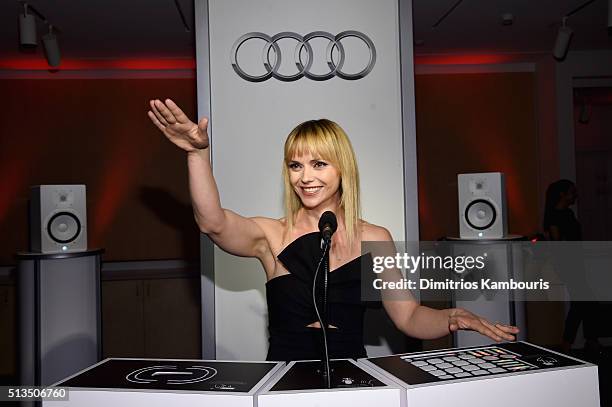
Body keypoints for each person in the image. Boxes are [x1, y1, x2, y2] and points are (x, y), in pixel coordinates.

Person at [147, 98, 518, 361]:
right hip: (286, 380)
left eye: (319, 164)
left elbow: (408, 317)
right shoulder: (271, 235)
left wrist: (451, 317)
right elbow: (212, 222)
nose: (305, 177)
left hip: (351, 379)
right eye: (295, 166)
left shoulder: (376, 238)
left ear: (342, 170)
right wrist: (197, 154)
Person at [543, 179, 600, 355]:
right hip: (568, 264)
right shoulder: (554, 216)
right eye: (572, 191)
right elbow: (558, 244)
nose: (575, 195)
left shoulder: (568, 214)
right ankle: (573, 344)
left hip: (576, 263)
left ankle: (579, 342)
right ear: (562, 194)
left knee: (584, 303)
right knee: (583, 303)